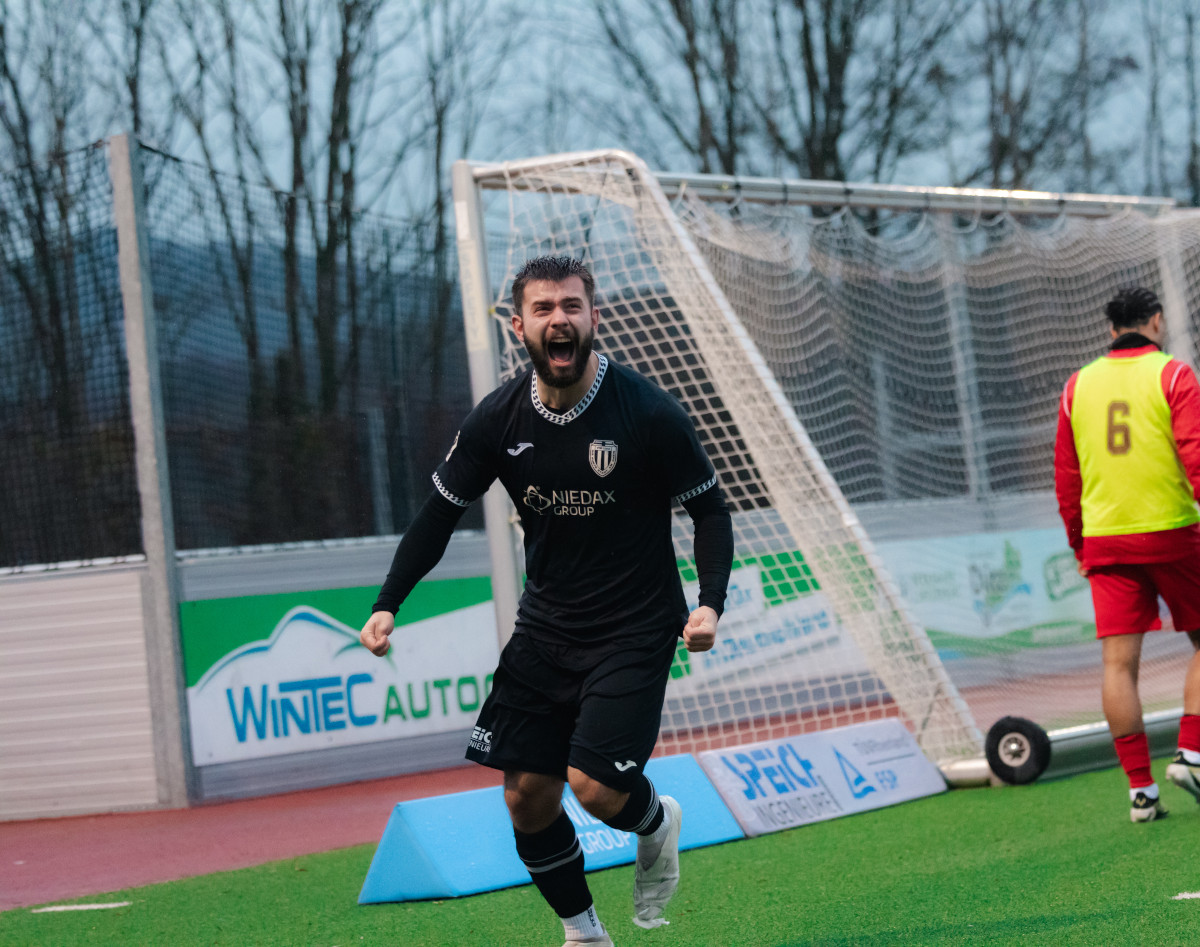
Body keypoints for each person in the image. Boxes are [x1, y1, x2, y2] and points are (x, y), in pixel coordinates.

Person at [361, 256, 733, 945]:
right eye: (542, 308)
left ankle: (656, 820)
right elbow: (439, 514)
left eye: (570, 305)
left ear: (595, 318)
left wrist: (709, 602)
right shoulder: (498, 420)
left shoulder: (648, 412)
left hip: (636, 625)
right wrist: (390, 602)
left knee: (593, 788)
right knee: (526, 797)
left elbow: (710, 511)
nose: (558, 318)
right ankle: (584, 934)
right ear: (519, 326)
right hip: (545, 629)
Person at [1054, 285, 1200, 823]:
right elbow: (1196, 454)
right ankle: (1191, 753)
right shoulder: (1173, 375)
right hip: (1173, 531)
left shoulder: (1077, 386)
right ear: (1156, 322)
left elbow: (1066, 480)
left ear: (1111, 329)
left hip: (1107, 540)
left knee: (1118, 663)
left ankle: (1141, 791)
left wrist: (1079, 544)